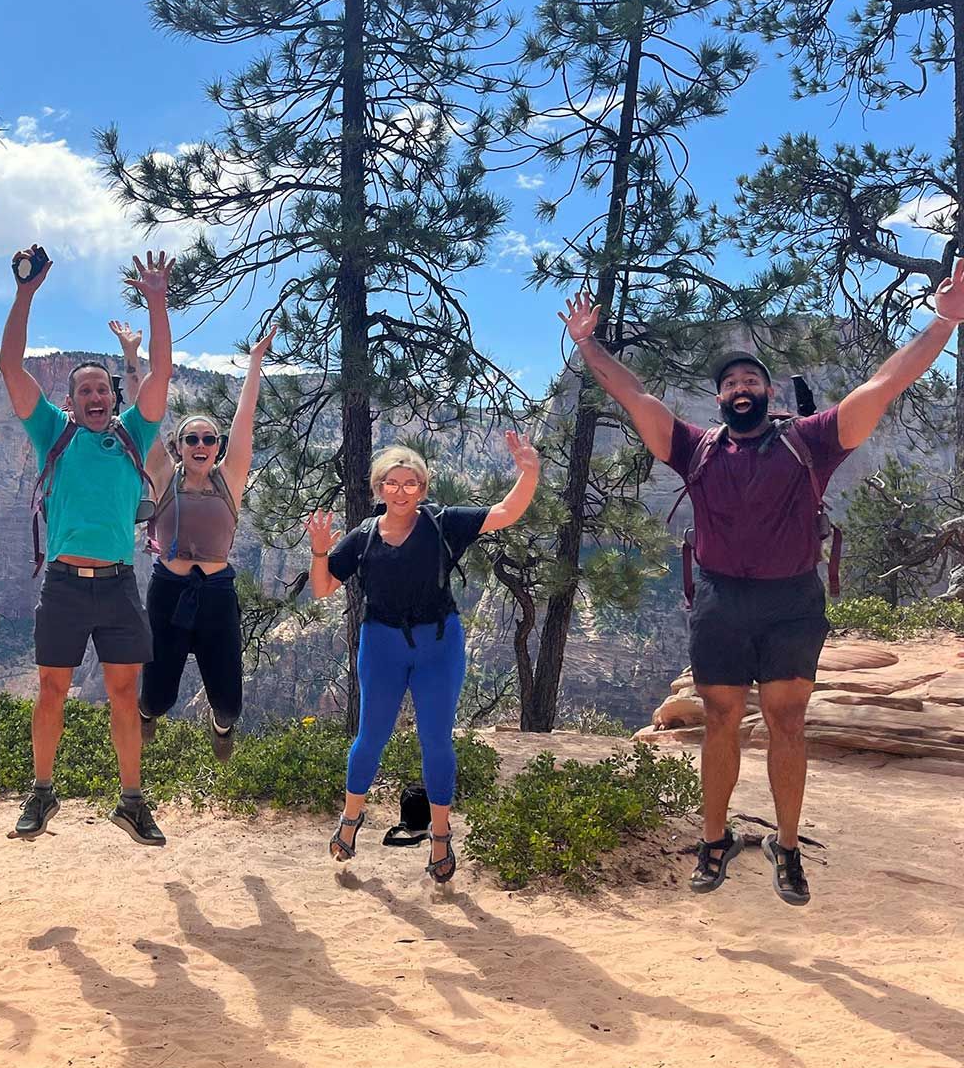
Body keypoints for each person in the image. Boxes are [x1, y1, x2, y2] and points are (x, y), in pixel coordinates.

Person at [559, 258, 964, 905]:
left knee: (788, 724)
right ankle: (714, 840)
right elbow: (635, 397)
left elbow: (884, 385)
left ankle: (787, 845)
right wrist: (586, 344)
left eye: (751, 379)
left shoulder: (812, 441)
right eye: (730, 382)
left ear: (768, 396)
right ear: (720, 399)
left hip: (791, 604)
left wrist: (944, 321)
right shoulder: (694, 447)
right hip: (719, 600)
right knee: (720, 718)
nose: (740, 386)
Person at [0, 245, 175, 846]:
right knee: (51, 691)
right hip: (67, 586)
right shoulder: (51, 431)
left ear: (113, 398)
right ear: (69, 402)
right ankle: (42, 793)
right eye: (84, 390)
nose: (96, 395)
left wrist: (157, 303)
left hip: (121, 586)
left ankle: (131, 801)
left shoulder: (134, 433)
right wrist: (25, 294)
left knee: (125, 694)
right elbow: (11, 367)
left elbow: (162, 375)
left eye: (103, 388)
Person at [305, 435, 540, 880]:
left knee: (436, 740)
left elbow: (506, 513)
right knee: (369, 738)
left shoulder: (443, 524)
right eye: (391, 483)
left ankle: (439, 836)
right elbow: (322, 588)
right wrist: (320, 550)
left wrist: (528, 472)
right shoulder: (364, 537)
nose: (400, 491)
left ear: (423, 488)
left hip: (438, 644)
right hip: (381, 645)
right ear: (379, 489)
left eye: (410, 483)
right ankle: (351, 820)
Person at [108, 319, 275, 760]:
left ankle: (222, 728)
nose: (201, 445)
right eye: (191, 439)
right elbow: (144, 419)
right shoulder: (163, 477)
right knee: (157, 697)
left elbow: (245, 421)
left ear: (217, 447)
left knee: (229, 701)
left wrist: (255, 363)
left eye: (208, 439)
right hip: (169, 592)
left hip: (218, 594)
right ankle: (147, 715)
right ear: (179, 447)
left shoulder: (230, 480)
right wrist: (132, 359)